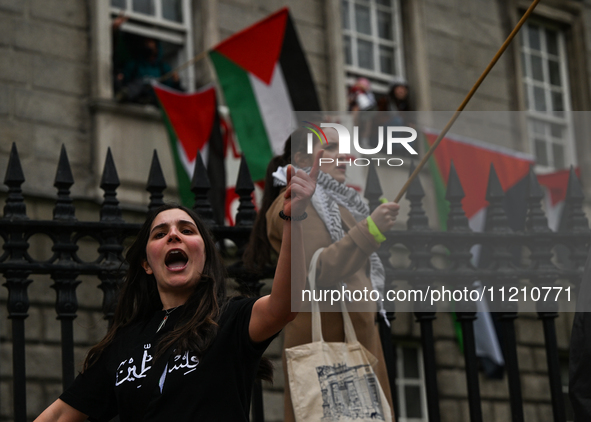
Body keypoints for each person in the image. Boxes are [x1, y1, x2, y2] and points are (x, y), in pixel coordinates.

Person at [34, 152, 321, 422]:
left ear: (204, 255)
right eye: (160, 233)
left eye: (186, 230)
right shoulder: (124, 342)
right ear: (147, 263)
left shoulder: (231, 318)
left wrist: (293, 220)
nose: (173, 235)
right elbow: (60, 415)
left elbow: (284, 306)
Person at [245, 127, 400, 422]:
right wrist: (371, 229)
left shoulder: (332, 202)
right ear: (303, 157)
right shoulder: (297, 204)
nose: (344, 157)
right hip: (332, 347)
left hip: (350, 342)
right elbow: (318, 269)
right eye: (331, 148)